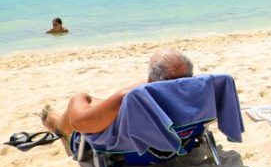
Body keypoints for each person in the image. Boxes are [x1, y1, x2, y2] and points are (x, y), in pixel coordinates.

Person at [40, 49, 194, 138]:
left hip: (130, 139)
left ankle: (57, 124)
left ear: (151, 78)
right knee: (99, 103)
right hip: (175, 133)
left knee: (79, 101)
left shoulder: (128, 100)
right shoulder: (196, 94)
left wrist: (79, 97)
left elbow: (80, 124)